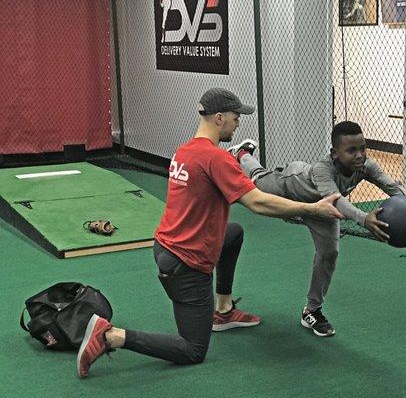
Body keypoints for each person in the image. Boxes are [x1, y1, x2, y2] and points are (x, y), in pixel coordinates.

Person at [76, 88, 344, 378]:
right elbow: (257, 202)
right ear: (219, 118)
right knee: (192, 349)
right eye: (235, 116)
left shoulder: (186, 150)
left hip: (167, 246)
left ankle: (224, 310)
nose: (238, 122)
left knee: (233, 233)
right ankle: (110, 336)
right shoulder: (215, 159)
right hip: (186, 263)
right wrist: (313, 208)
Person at [227, 120, 406, 337]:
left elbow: (392, 187)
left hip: (321, 210)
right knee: (257, 180)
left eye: (362, 148)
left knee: (329, 253)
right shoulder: (323, 169)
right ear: (334, 153)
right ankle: (243, 154)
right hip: (290, 188)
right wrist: (363, 218)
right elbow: (338, 201)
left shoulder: (367, 166)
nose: (359, 155)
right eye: (351, 150)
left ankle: (311, 311)